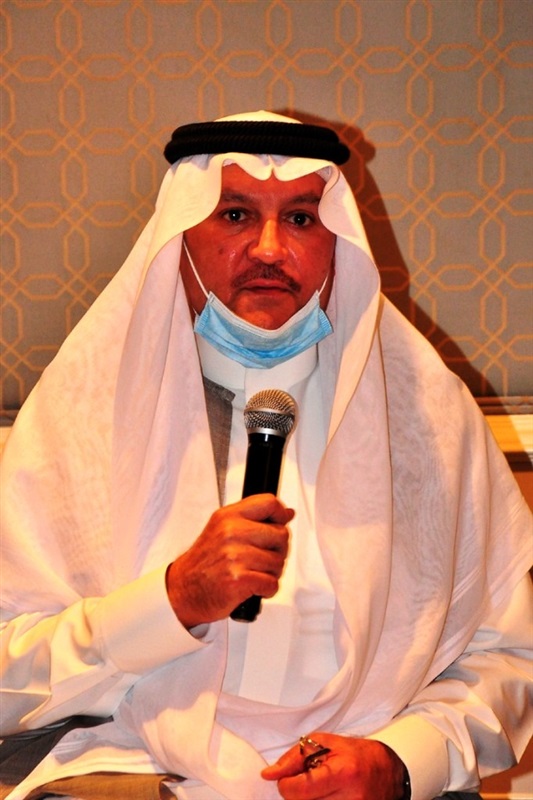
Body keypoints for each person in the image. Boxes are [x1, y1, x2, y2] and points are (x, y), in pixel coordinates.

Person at [0, 110, 531, 800]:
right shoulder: (81, 417)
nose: (271, 249)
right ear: (179, 235)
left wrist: (400, 760)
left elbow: (508, 657)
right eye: (235, 215)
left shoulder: (428, 417)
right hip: (134, 766)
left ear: (335, 240)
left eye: (302, 219)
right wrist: (171, 601)